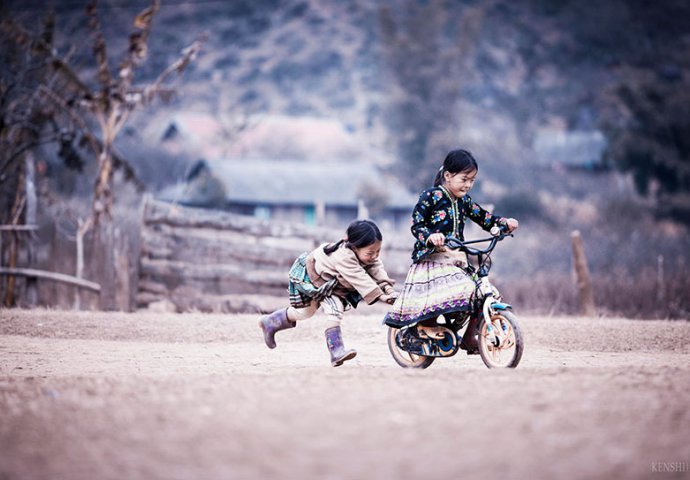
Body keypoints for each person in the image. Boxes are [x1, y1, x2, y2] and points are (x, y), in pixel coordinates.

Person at [383, 149, 519, 353]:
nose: (468, 185)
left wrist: (503, 223)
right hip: (432, 260)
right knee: (452, 291)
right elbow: (417, 225)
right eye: (464, 179)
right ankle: (422, 328)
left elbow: (484, 218)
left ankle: (469, 337)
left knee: (482, 292)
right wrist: (430, 237)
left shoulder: (464, 201)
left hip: (456, 259)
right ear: (448, 175)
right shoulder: (431, 196)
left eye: (472, 180)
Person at [259, 220, 398, 367]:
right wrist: (381, 296)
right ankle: (336, 351)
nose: (375, 256)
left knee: (306, 313)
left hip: (331, 283)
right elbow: (360, 277)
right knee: (328, 309)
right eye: (371, 252)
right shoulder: (344, 257)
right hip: (315, 279)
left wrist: (389, 290)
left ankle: (270, 322)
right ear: (354, 247)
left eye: (378, 251)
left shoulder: (369, 257)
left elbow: (377, 269)